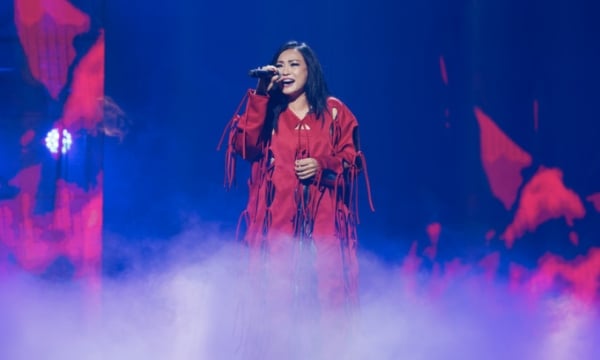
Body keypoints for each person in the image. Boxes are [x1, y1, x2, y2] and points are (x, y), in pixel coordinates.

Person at [222, 40, 373, 330]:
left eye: (294, 64)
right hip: (276, 225)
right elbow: (245, 147)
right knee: (276, 304)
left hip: (323, 226)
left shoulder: (334, 112)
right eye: (280, 65)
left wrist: (323, 165)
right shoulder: (268, 110)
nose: (285, 70)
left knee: (327, 302)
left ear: (310, 71)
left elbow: (352, 162)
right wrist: (261, 94)